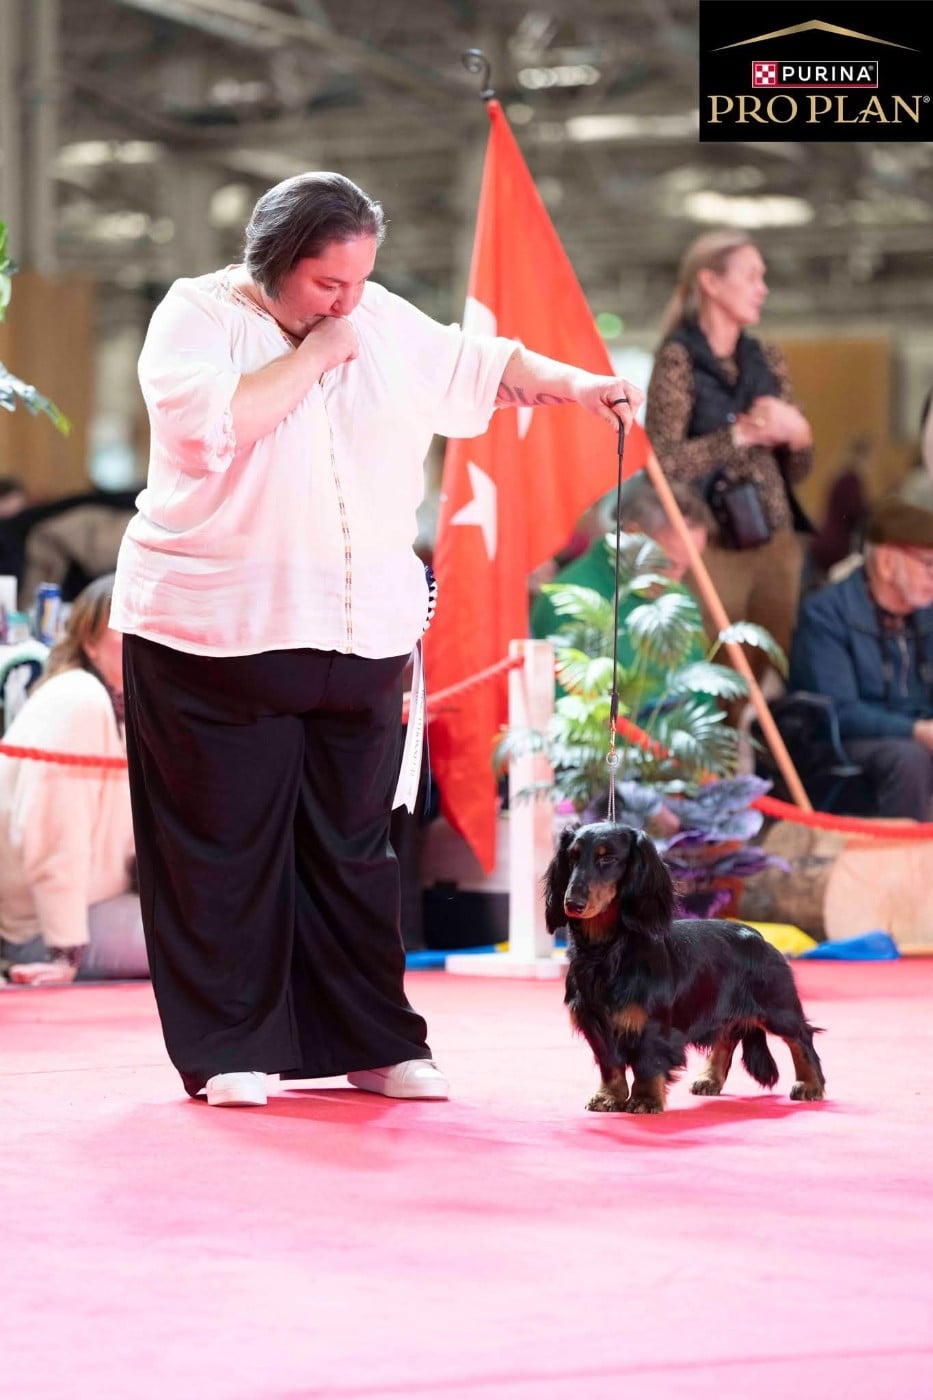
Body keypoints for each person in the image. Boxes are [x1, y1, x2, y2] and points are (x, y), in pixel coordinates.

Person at [111, 170, 643, 1108]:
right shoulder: (195, 315)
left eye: (358, 281)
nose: (347, 302)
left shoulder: (380, 317)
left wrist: (581, 386)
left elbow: (485, 365)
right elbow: (213, 430)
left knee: (356, 855)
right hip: (213, 634)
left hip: (360, 631)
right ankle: (230, 1047)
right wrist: (319, 353)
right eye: (327, 283)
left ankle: (373, 1040)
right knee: (222, 853)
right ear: (273, 263)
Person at [644, 229, 814, 680]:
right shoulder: (678, 360)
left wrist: (798, 435)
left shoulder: (767, 358)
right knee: (718, 672)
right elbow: (662, 462)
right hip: (712, 545)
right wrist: (739, 435)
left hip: (777, 539)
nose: (763, 289)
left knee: (776, 664)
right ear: (711, 282)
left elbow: (799, 470)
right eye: (752, 276)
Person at [0, 573, 147, 985]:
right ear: (89, 642)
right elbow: (55, 836)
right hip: (44, 927)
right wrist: (64, 953)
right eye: (126, 630)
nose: (143, 644)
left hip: (96, 905)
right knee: (214, 950)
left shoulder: (122, 708)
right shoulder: (79, 698)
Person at [788, 496, 933, 820]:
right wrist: (916, 730)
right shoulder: (826, 613)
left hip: (915, 735)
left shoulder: (927, 612)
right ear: (886, 563)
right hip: (845, 746)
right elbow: (839, 712)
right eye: (928, 564)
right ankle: (900, 853)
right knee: (909, 759)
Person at [529, 470, 714, 709]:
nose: (675, 580)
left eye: (686, 568)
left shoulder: (678, 598)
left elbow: (702, 697)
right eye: (668, 564)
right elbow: (567, 711)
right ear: (633, 536)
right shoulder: (566, 601)